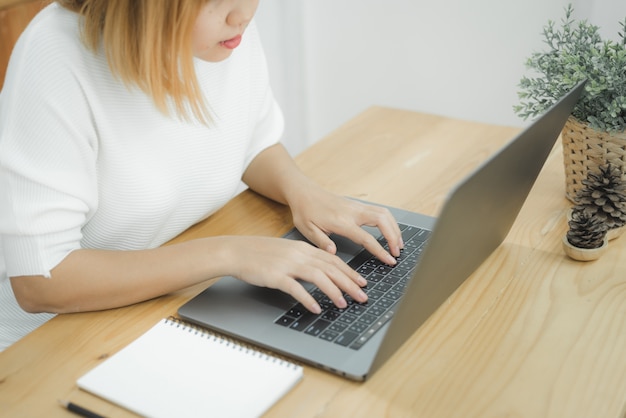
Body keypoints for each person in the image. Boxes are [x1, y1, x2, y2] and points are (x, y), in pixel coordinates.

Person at [0, 0, 403, 351]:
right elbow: (40, 283)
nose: (243, 13)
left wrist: (305, 193)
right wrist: (228, 254)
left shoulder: (225, 33)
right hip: (56, 340)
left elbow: (251, 143)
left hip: (176, 302)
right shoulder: (54, 56)